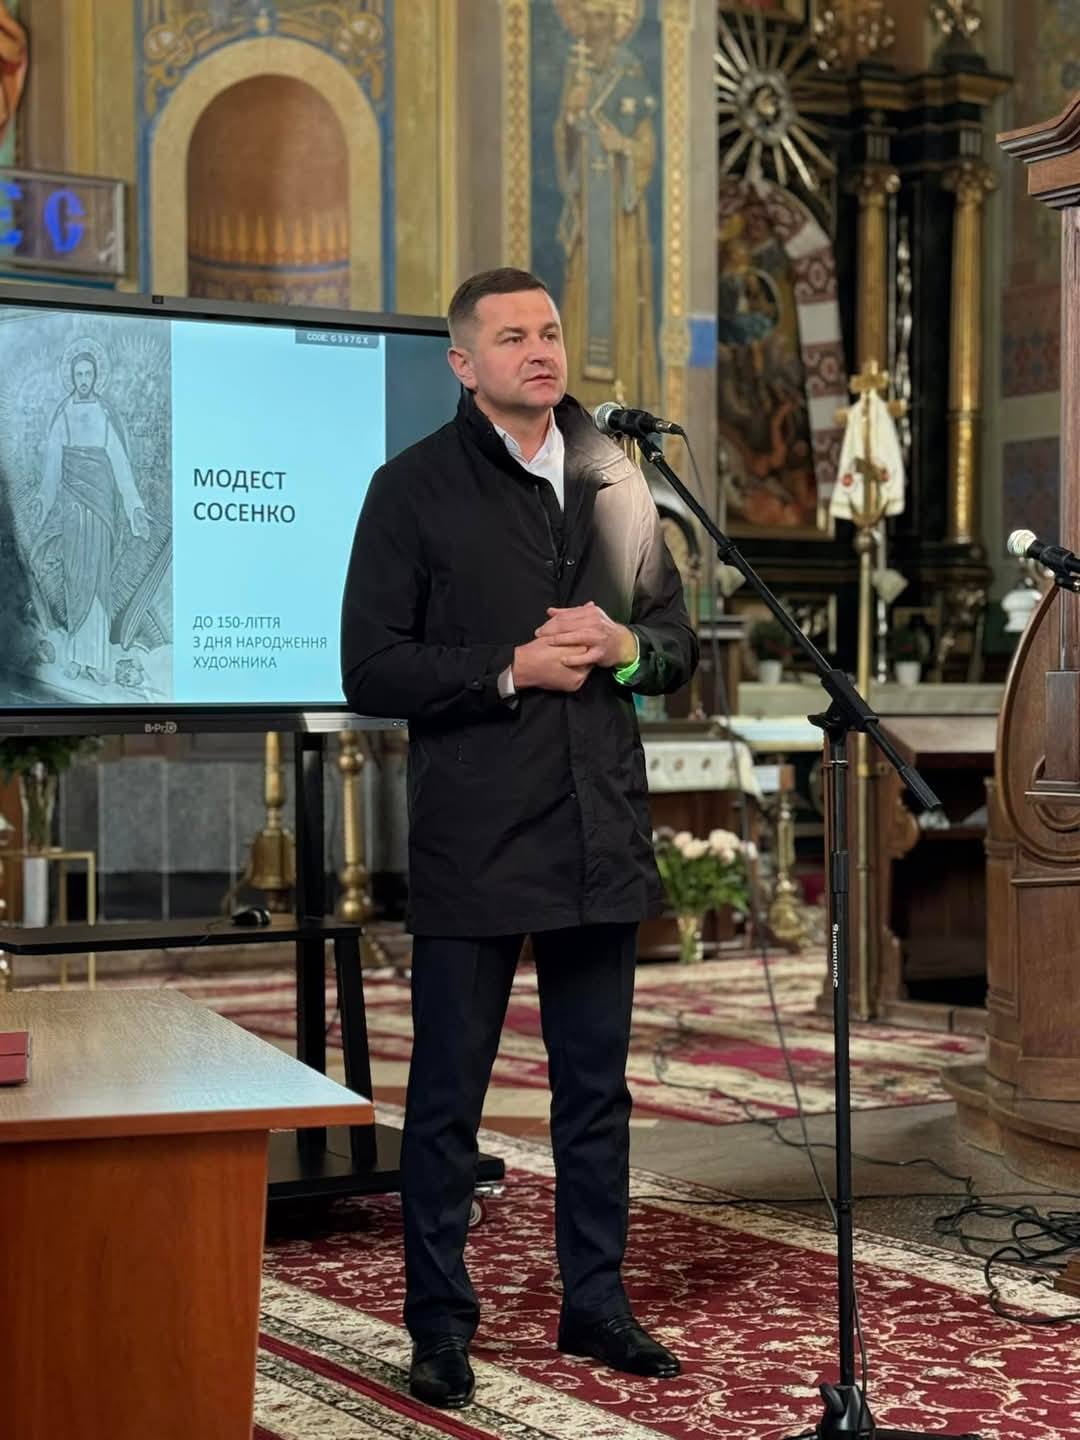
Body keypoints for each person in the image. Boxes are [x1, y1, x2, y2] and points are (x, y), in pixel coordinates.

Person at [341, 267, 697, 1410]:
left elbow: (676, 647)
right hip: (478, 838)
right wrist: (511, 669)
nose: (540, 350)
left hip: (599, 830)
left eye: (549, 330)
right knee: (448, 1099)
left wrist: (624, 650)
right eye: (511, 337)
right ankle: (440, 1325)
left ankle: (596, 1303)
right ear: (464, 364)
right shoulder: (410, 489)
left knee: (597, 1094)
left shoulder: (619, 481)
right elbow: (370, 667)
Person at [30, 350, 149, 684]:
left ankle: (96, 661)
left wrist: (135, 508)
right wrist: (41, 502)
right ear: (72, 377)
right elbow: (52, 470)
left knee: (98, 582)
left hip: (101, 509)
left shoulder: (104, 414)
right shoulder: (64, 415)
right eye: (78, 374)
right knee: (75, 579)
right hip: (73, 510)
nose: (83, 380)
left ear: (96, 376)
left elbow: (121, 466)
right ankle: (76, 657)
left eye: (88, 374)